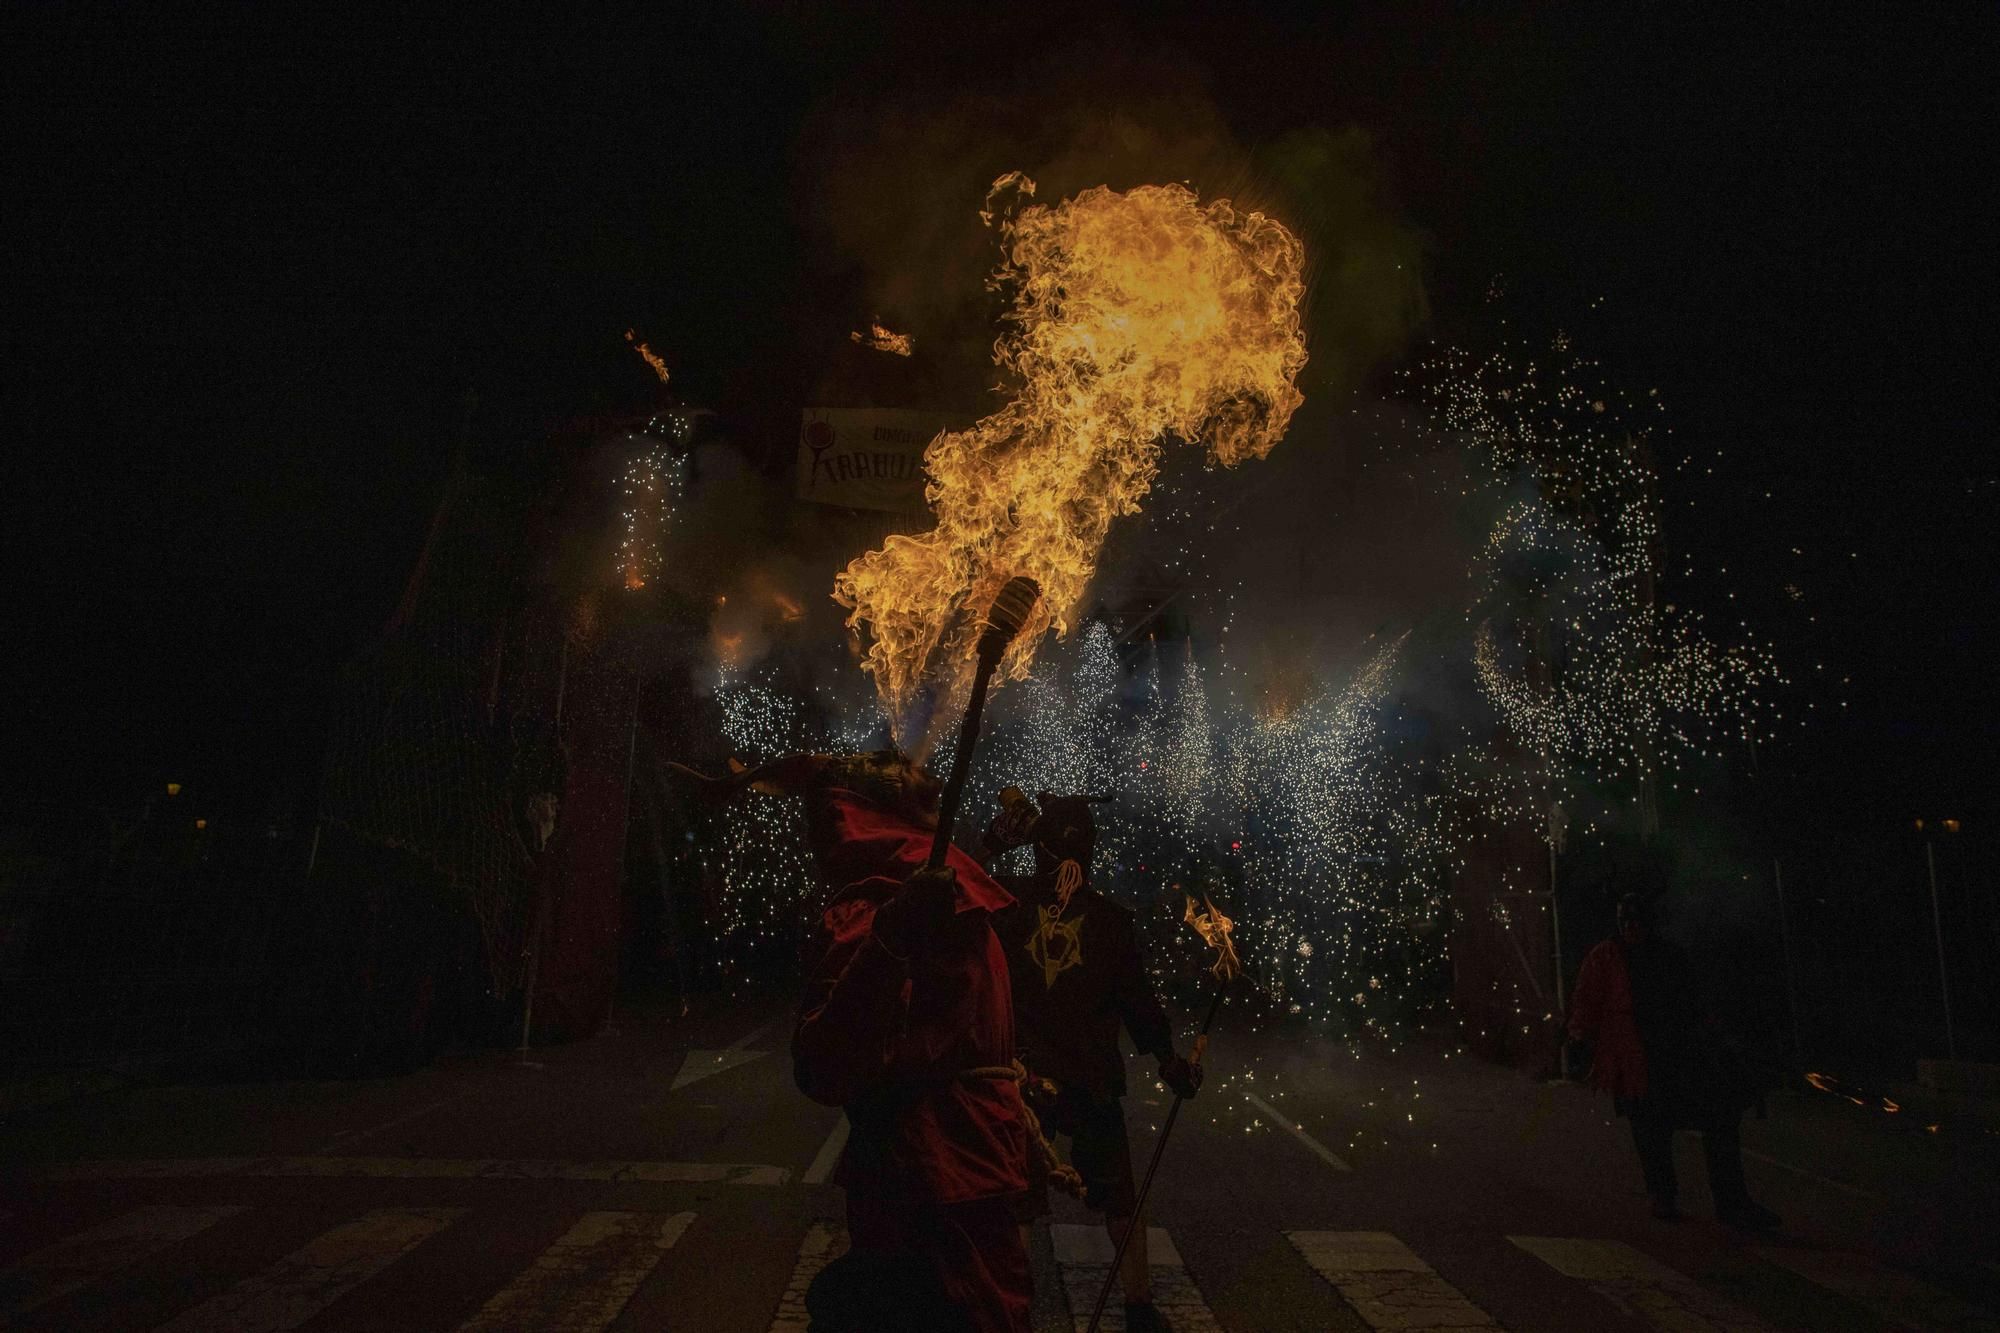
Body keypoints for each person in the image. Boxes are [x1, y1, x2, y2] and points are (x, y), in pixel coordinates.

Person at [672, 749, 1031, 1332]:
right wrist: (890, 938)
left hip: (969, 1170)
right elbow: (823, 1064)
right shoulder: (874, 906)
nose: (912, 762)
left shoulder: (924, 886)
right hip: (930, 1181)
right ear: (875, 802)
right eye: (890, 762)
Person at [984, 789, 1202, 1332]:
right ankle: (1137, 1305)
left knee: (1025, 1200)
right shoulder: (1104, 920)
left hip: (1034, 1077)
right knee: (1101, 1200)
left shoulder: (1007, 906)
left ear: (1038, 851)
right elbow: (1138, 1001)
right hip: (1061, 1076)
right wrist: (1165, 1057)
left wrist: (989, 847)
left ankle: (1026, 1309)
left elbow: (946, 887)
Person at [1567, 893, 1779, 1229]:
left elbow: (1695, 1005)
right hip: (1634, 1060)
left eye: (1634, 920)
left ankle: (1730, 1201)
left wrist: (1716, 1041)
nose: (1629, 927)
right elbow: (1587, 998)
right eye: (1623, 920)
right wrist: (1580, 1039)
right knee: (1650, 1132)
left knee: (1718, 1120)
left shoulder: (1668, 956)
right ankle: (1663, 1194)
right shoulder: (1606, 957)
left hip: (1677, 1057)